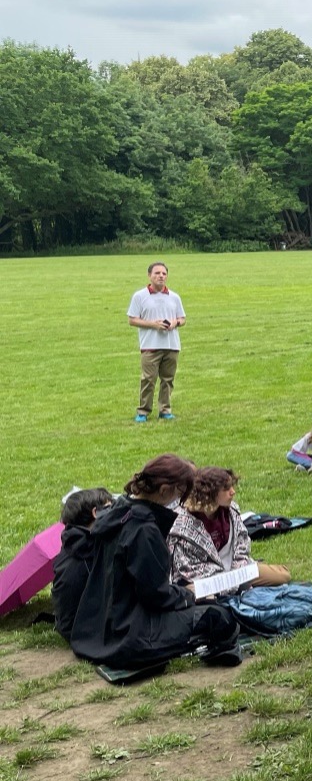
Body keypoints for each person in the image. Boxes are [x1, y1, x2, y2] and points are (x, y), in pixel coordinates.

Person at [63, 455, 240, 669]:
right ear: (165, 490)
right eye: (180, 494)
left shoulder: (116, 513)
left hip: (99, 629)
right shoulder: (144, 529)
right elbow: (155, 595)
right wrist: (189, 595)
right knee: (220, 616)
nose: (180, 502)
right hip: (128, 636)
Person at [168, 468, 291, 588]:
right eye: (226, 489)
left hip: (235, 572)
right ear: (209, 492)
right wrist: (224, 579)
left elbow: (242, 544)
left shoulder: (231, 511)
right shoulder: (181, 524)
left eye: (232, 486)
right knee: (203, 596)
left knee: (283, 575)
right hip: (205, 581)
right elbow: (186, 567)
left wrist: (237, 571)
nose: (233, 492)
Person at [51, 487, 114, 641]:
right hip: (84, 631)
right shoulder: (90, 548)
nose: (113, 511)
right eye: (110, 507)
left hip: (71, 625)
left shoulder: (74, 542)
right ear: (96, 513)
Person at [127, 261, 186, 422]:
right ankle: (143, 412)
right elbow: (132, 320)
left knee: (168, 380)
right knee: (148, 379)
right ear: (149, 275)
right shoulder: (140, 296)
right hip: (150, 345)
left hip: (171, 345)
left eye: (164, 274)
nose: (161, 276)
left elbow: (182, 318)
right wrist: (154, 325)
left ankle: (165, 410)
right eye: (157, 273)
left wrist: (176, 323)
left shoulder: (174, 297)